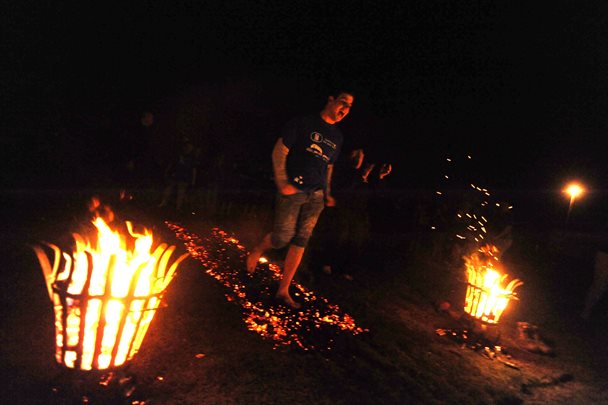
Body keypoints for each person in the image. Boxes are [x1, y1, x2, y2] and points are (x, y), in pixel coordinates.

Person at [246, 89, 355, 309]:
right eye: (343, 102)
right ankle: (258, 249)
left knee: (302, 239)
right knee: (282, 237)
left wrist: (327, 192)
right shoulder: (303, 122)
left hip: (316, 196)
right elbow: (280, 151)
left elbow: (329, 167)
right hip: (293, 189)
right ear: (331, 99)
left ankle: (283, 290)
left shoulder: (338, 137)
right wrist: (282, 181)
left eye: (350, 107)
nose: (345, 109)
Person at [158, 138, 200, 213]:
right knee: (169, 187)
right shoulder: (180, 154)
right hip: (176, 174)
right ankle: (164, 202)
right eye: (188, 146)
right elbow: (173, 163)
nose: (189, 148)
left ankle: (178, 207)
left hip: (185, 176)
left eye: (190, 146)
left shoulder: (192, 157)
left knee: (181, 191)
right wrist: (168, 171)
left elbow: (194, 169)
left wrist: (193, 180)